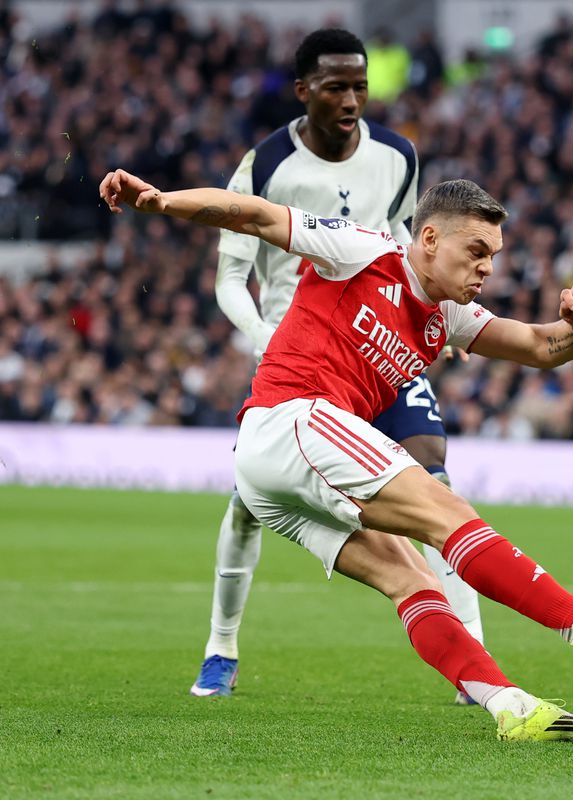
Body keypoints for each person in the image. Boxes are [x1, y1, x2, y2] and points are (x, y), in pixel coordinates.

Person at [101, 170, 573, 742]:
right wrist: (161, 202)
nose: (488, 266)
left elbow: (541, 346)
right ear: (430, 238)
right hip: (293, 418)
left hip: (274, 474)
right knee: (444, 510)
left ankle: (509, 704)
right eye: (477, 249)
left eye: (495, 254)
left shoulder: (448, 315)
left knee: (409, 579)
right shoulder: (363, 250)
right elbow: (253, 214)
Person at [196, 29, 485, 704]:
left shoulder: (397, 156)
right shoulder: (266, 164)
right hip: (299, 359)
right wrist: (264, 338)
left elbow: (413, 244)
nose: (352, 98)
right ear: (303, 92)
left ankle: (472, 663)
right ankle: (221, 647)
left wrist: (442, 312)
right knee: (247, 504)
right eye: (336, 87)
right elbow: (230, 278)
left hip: (379, 343)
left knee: (437, 479)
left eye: (360, 85)